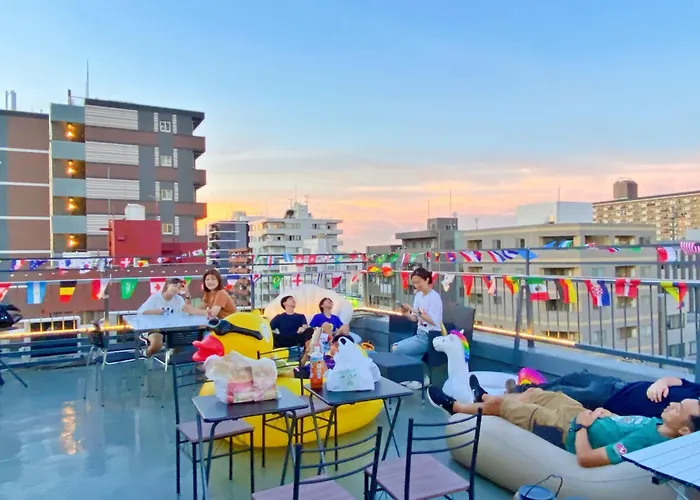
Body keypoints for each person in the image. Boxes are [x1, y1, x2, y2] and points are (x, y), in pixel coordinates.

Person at [427, 385, 700, 468]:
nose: (671, 404)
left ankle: (456, 407)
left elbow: (586, 458)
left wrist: (581, 427)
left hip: (567, 428)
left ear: (685, 431)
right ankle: (484, 397)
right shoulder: (657, 424)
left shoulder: (647, 443)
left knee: (503, 407)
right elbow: (622, 425)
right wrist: (607, 414)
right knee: (535, 393)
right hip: (586, 416)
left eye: (678, 409)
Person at [470, 371, 700, 418]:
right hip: (617, 384)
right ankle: (516, 391)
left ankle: (489, 399)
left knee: (559, 392)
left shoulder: (689, 417)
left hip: (608, 400)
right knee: (572, 377)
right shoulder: (697, 391)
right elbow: (679, 380)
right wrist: (661, 382)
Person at [392, 267, 443, 390]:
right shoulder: (419, 296)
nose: (416, 285)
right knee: (394, 347)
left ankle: (421, 377)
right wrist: (407, 314)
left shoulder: (434, 297)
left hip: (430, 336)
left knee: (398, 350)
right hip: (419, 334)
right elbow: (415, 319)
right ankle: (416, 376)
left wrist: (414, 310)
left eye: (418, 282)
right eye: (414, 283)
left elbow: (434, 321)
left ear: (427, 280)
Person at [137, 277, 186, 357]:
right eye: (174, 286)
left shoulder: (179, 300)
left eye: (178, 288)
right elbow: (140, 312)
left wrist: (187, 296)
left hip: (171, 328)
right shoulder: (155, 297)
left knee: (182, 341)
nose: (175, 289)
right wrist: (155, 312)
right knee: (157, 344)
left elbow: (184, 313)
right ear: (168, 285)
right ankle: (146, 354)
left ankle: (169, 357)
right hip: (154, 327)